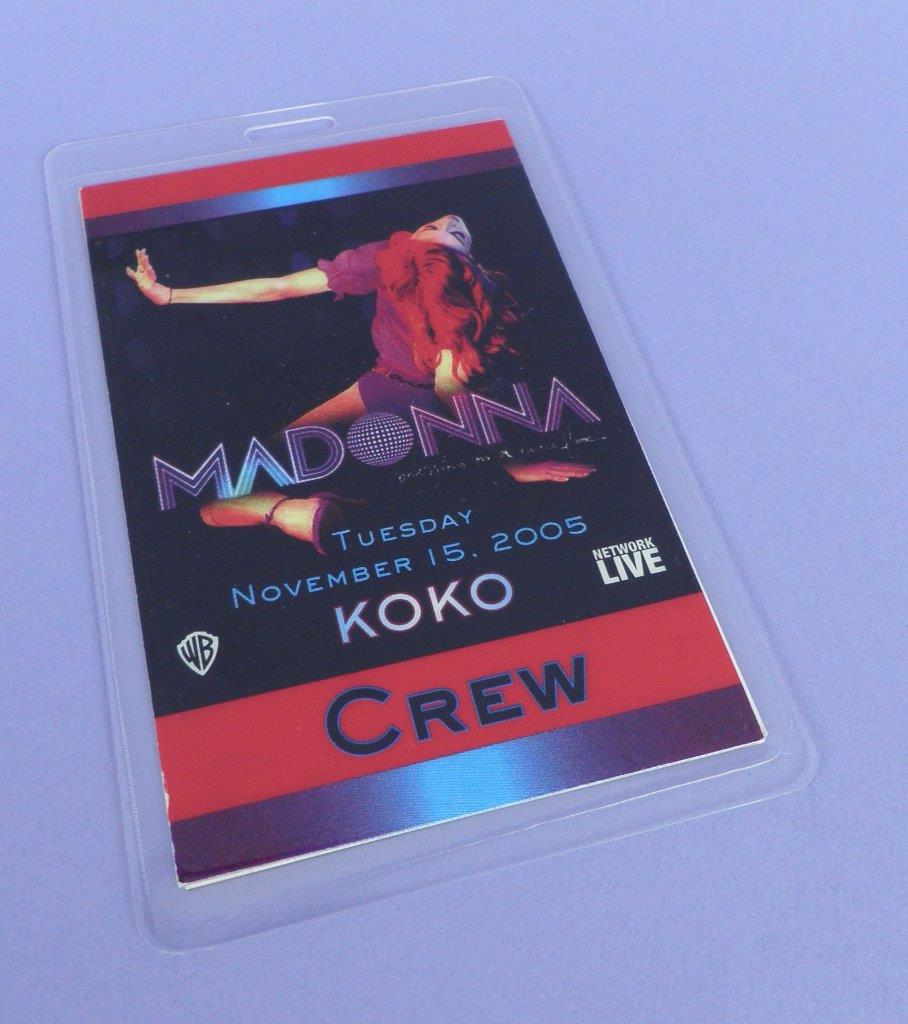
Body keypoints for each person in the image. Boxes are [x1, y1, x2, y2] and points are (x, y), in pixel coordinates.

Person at [127, 215, 594, 552]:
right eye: (436, 224)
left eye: (458, 234)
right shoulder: (393, 261)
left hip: (409, 409)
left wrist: (510, 464)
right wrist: (169, 295)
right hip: (380, 391)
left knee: (222, 499)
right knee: (240, 483)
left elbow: (449, 390)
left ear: (466, 260)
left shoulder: (448, 287)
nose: (449, 223)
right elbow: (279, 286)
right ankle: (313, 508)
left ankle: (295, 511)